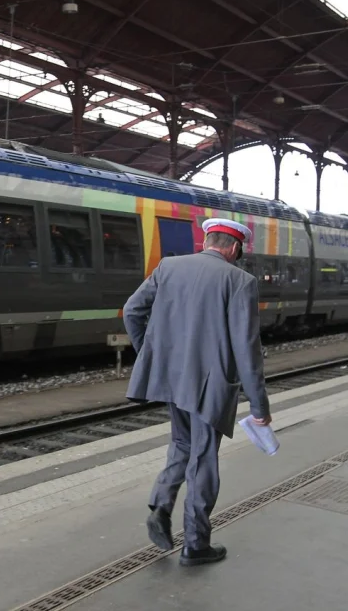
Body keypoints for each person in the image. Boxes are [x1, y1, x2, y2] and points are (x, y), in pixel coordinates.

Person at [122, 217, 272, 567]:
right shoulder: (240, 280)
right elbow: (247, 349)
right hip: (211, 387)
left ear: (207, 240)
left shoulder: (168, 267)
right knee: (203, 458)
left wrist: (152, 356)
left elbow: (132, 311)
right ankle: (196, 544)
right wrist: (260, 406)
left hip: (171, 380)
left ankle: (161, 505)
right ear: (235, 248)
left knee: (182, 444)